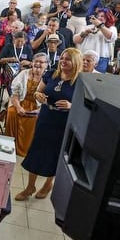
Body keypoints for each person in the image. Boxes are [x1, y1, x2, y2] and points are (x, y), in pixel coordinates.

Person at [17, 48, 82, 201]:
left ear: (76, 62)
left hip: (64, 122)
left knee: (55, 154)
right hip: (46, 117)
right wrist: (38, 95)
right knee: (36, 150)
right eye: (63, 58)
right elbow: (38, 92)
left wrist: (72, 105)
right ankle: (30, 186)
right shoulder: (52, 73)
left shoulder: (81, 81)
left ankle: (48, 184)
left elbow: (86, 104)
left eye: (68, 59)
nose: (63, 61)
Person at [6, 52, 49, 157]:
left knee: (35, 118)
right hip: (21, 102)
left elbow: (49, 99)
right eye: (36, 61)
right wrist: (18, 107)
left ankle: (27, 149)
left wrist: (39, 110)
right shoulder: (24, 74)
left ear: (47, 64)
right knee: (12, 112)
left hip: (38, 107)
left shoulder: (49, 77)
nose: (38, 64)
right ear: (32, 62)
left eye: (41, 62)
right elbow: (14, 94)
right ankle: (9, 145)